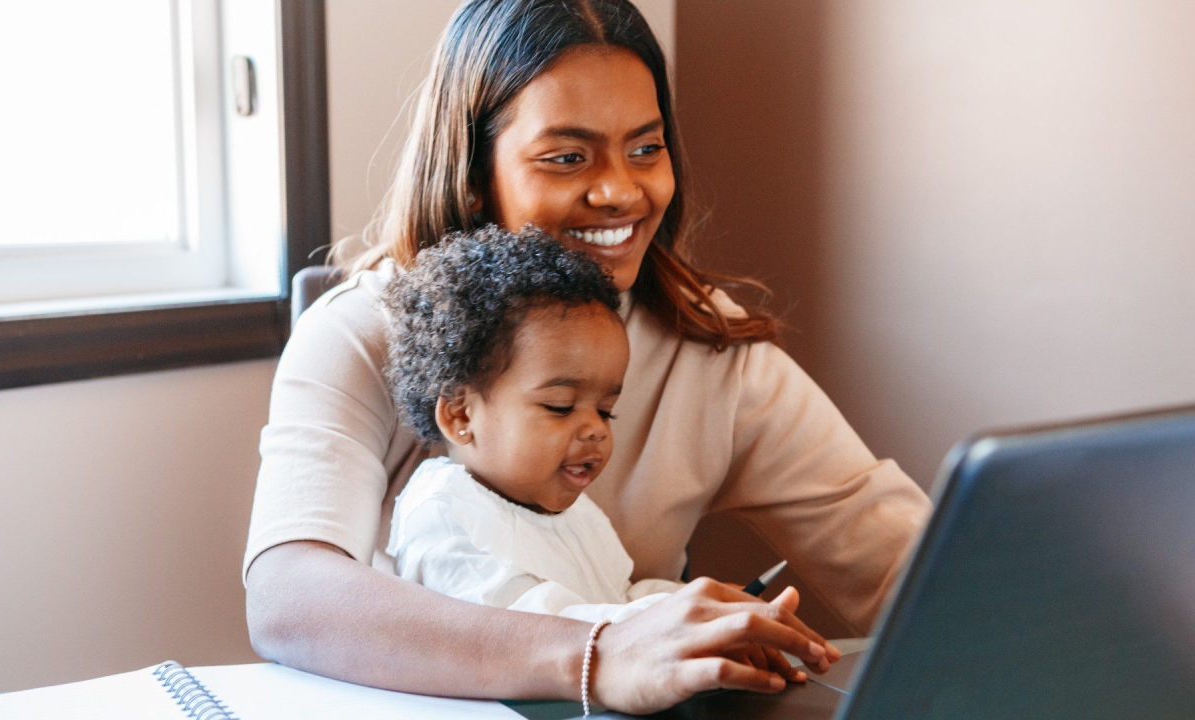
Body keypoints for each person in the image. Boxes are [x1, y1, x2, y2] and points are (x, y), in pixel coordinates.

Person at [243, 0, 931, 714]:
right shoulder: (359, 334)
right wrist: (601, 653)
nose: (621, 192)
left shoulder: (712, 350)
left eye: (645, 148)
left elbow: (899, 563)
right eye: (567, 157)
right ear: (474, 174)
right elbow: (290, 595)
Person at [384, 226, 686, 624]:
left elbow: (617, 596)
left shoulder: (571, 512)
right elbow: (533, 630)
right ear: (460, 415)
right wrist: (667, 617)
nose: (596, 429)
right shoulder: (443, 514)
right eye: (560, 407)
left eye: (605, 410)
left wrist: (689, 601)